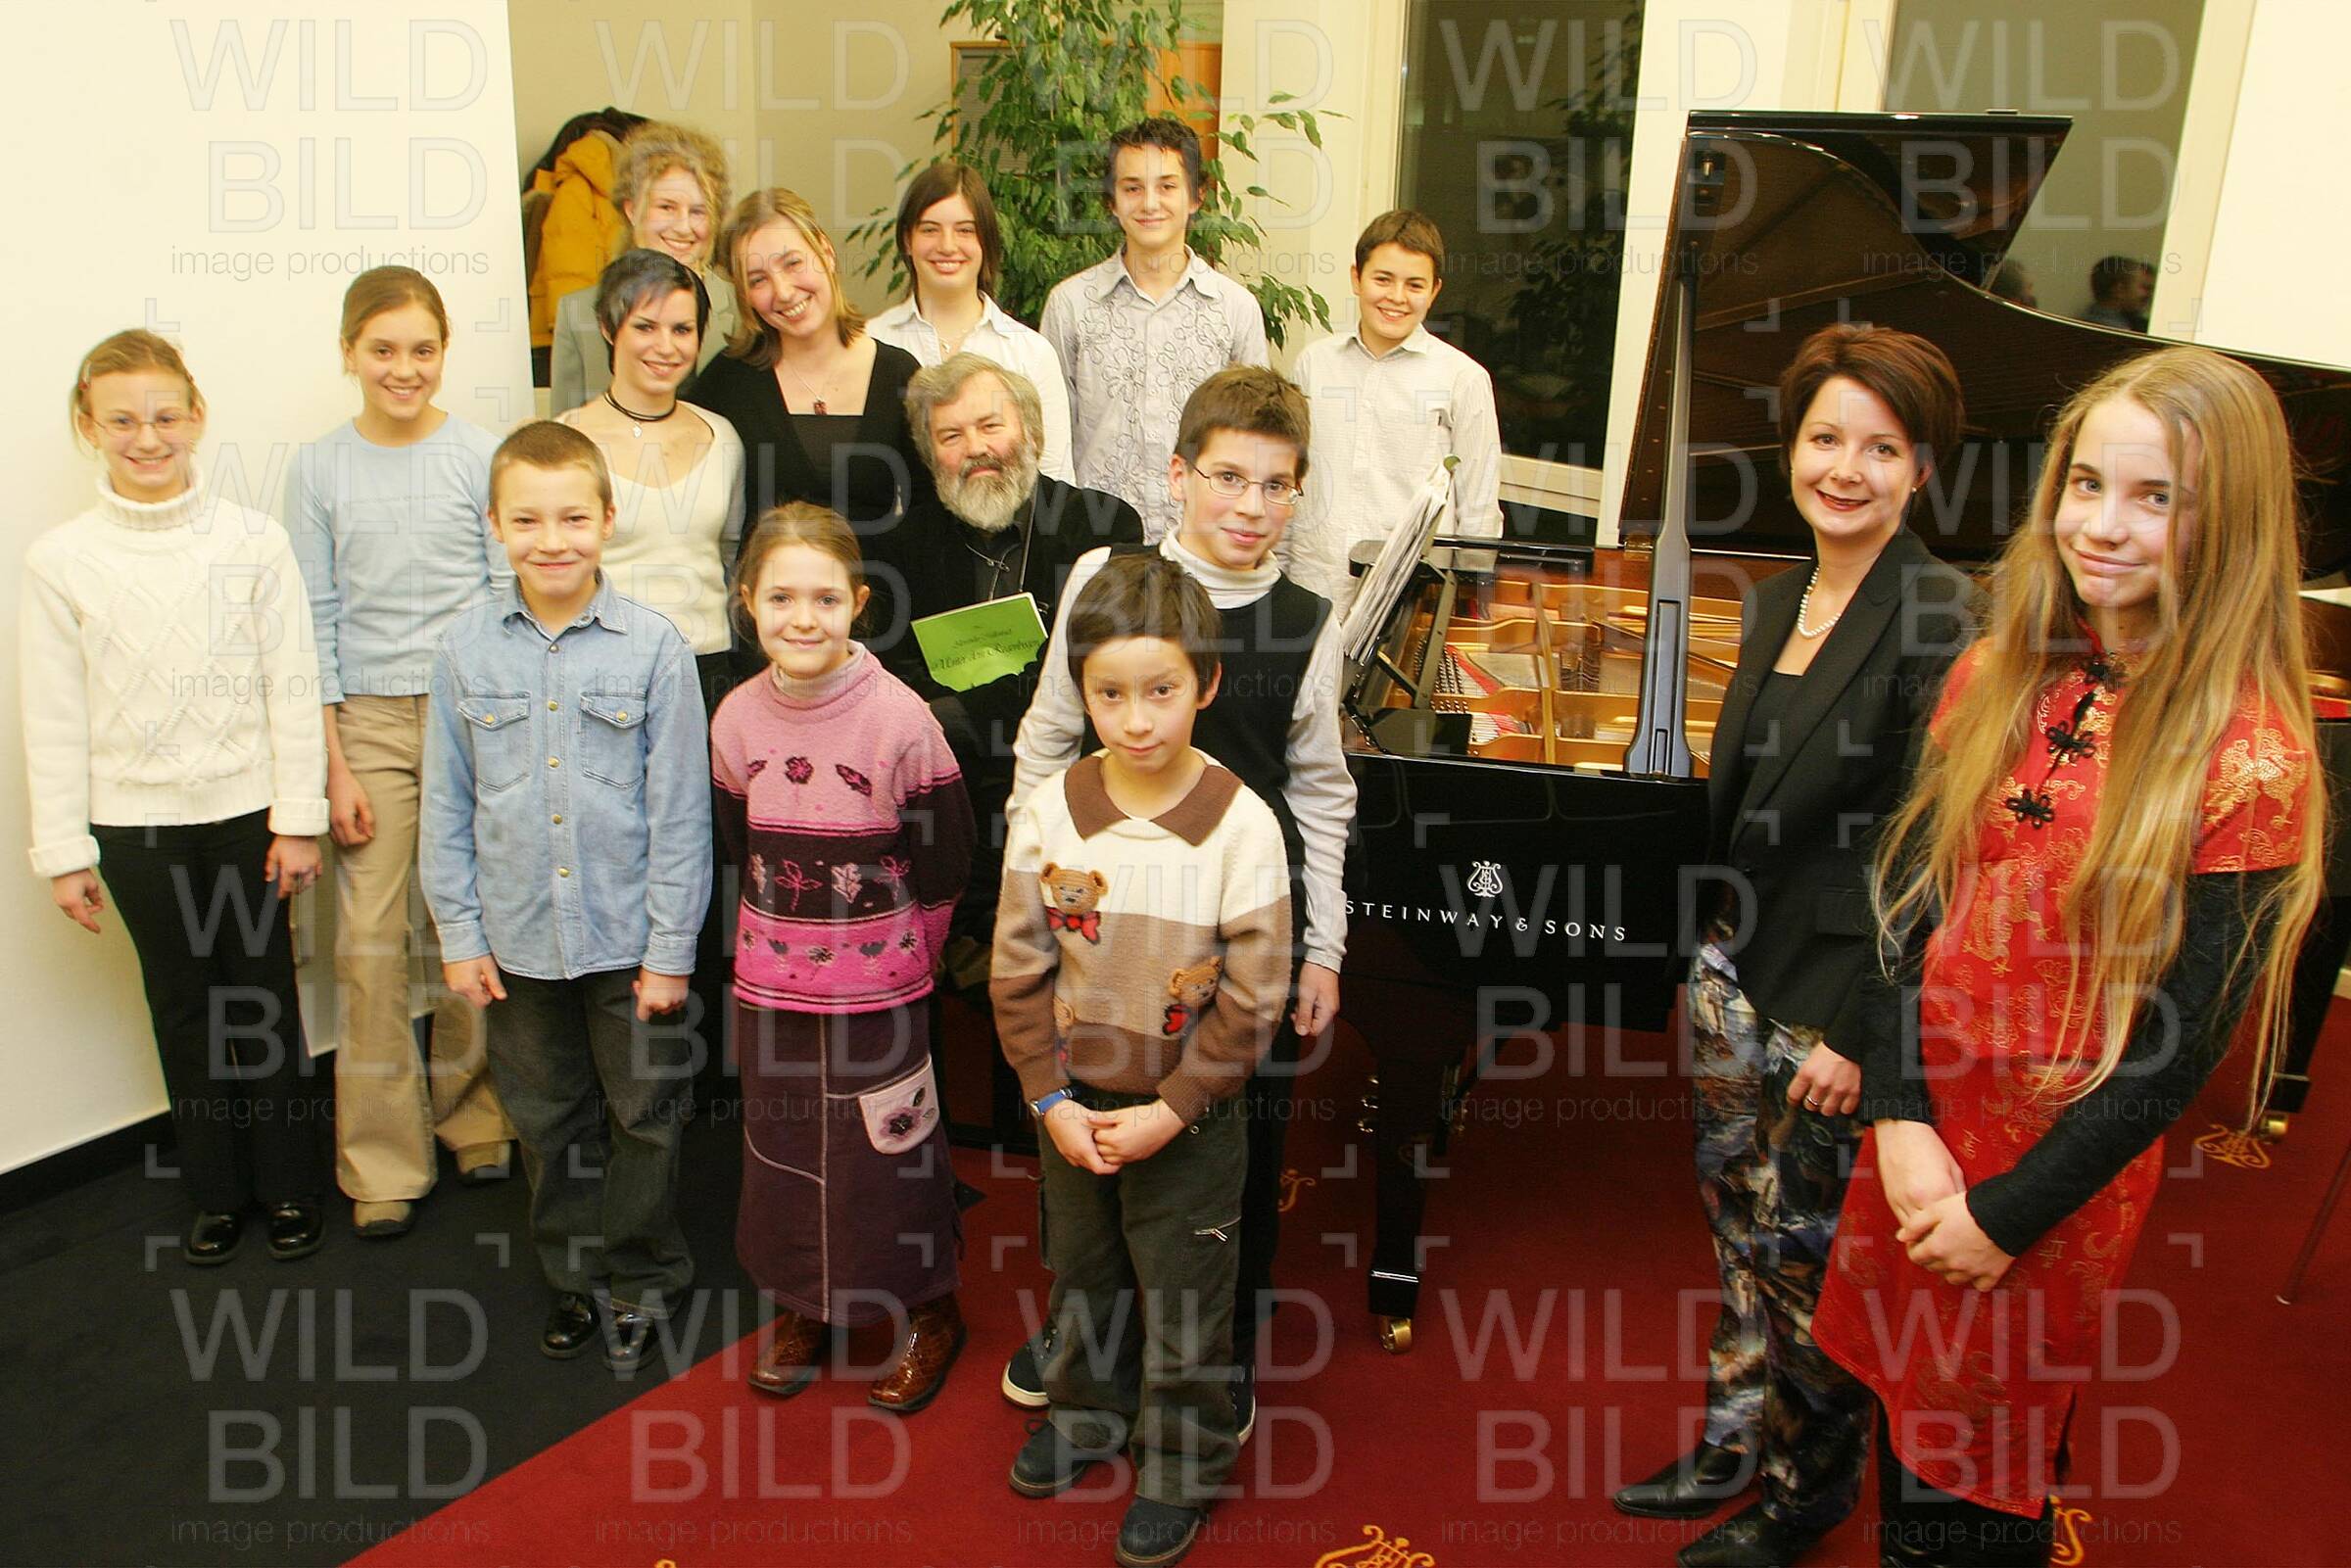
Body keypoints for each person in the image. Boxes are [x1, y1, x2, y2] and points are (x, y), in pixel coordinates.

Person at [1813, 345, 2324, 1567]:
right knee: (1901, 1424)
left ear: (2230, 523)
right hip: (1922, 1131)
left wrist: (2003, 1213)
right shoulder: (2002, 667)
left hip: (2044, 1184)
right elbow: (1907, 892)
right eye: (2086, 483)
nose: (2101, 525)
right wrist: (1899, 1116)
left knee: (1975, 1481)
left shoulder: (2254, 758)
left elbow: (2178, 1049)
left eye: (2156, 498)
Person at [1610, 325, 1978, 1568]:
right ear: (1792, 447)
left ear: (1922, 467)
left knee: (1810, 1262)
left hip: (1833, 1008)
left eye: (1882, 448)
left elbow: (1937, 855)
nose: (1846, 469)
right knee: (1738, 1229)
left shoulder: (1945, 617)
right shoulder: (1779, 596)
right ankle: (1735, 1435)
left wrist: (1869, 1036)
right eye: (1826, 438)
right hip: (1734, 969)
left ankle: (1803, 1495)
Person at [1007, 366, 1355, 1438]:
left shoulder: (1309, 619)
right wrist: (1031, 871)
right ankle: (1090, 1334)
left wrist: (1324, 947)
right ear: (1178, 474)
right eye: (1229, 477)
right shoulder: (1105, 577)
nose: (1252, 506)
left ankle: (1220, 1342)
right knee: (1088, 1128)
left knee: (1229, 1141)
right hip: (1103, 913)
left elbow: (1321, 789)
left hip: (1239, 921)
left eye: (1277, 485)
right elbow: (1047, 735)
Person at [993, 551, 1292, 1568]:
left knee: (1186, 1296)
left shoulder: (1243, 826)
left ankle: (1181, 1465)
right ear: (1080, 691)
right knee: (1081, 1275)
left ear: (1205, 684)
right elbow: (1018, 967)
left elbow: (1254, 996)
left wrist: (1173, 1108)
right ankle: (1085, 1415)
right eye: (1109, 694)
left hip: (1190, 1116)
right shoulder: (1049, 810)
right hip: (1074, 1103)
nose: (1135, 720)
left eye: (1161, 691)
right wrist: (1049, 1100)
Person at [24, 329, 332, 1265]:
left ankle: (289, 1185)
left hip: (247, 818)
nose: (146, 437)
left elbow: (292, 685)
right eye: (122, 420)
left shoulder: (254, 541)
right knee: (184, 1008)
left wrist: (299, 819)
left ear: (197, 417)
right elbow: (53, 712)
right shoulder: (59, 559)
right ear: (88, 426)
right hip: (134, 828)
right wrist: (64, 850)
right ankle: (216, 1192)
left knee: (263, 999)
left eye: (164, 416)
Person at [419, 421, 712, 1373]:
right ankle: (573, 1273)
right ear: (495, 524)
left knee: (644, 1111)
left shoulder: (655, 648)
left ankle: (644, 1271)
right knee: (546, 1118)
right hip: (516, 941)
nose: (553, 539)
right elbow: (445, 804)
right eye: (529, 519)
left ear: (608, 519)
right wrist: (460, 934)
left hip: (631, 940)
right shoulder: (464, 650)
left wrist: (671, 950)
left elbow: (680, 815)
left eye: (574, 517)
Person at [711, 503, 975, 1411]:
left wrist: (907, 961)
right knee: (781, 1152)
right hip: (773, 988)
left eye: (825, 598)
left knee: (890, 1155)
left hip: (881, 993)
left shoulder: (901, 719)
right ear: (748, 601)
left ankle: (931, 1309)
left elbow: (947, 857)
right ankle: (804, 1303)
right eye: (781, 597)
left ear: (858, 603)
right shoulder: (735, 719)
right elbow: (739, 843)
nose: (803, 617)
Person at [286, 266, 516, 1241]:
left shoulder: (479, 455)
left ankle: (477, 1112)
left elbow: (506, 598)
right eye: (383, 349)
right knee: (373, 941)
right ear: (349, 353)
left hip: (473, 713)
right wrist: (333, 764)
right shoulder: (318, 469)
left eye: (423, 349)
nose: (404, 367)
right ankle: (381, 1156)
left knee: (472, 919)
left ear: (444, 352)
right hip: (370, 724)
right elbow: (313, 620)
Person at [556, 248, 749, 1076]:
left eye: (682, 328)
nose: (665, 345)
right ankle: (629, 1066)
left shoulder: (723, 436)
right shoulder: (567, 439)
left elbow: (730, 557)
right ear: (610, 327)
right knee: (620, 862)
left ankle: (707, 1077)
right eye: (646, 326)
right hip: (606, 679)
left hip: (709, 675)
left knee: (703, 866)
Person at [893, 355, 1142, 942]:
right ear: (930, 455)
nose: (976, 448)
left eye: (990, 425)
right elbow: (892, 674)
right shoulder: (904, 545)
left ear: (1031, 432)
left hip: (1072, 792)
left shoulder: (1103, 528)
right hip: (948, 797)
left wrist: (956, 713)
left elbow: (1093, 672)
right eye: (951, 436)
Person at [696, 187, 936, 661]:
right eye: (758, 279)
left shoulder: (899, 374)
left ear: (825, 251)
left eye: (793, 263)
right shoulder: (726, 383)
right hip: (770, 645)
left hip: (883, 639)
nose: (783, 291)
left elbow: (931, 517)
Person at [1040, 116, 1270, 544]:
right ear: (1111, 201)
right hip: (1098, 541)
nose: (1149, 203)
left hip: (1205, 542)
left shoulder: (1235, 309)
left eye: (1166, 186)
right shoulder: (1070, 305)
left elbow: (1256, 442)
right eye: (1132, 188)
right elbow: (1055, 439)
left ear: (1196, 196)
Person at [1287, 209, 1505, 611]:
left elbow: (1478, 506)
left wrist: (1466, 601)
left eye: (1414, 284)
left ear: (1435, 291)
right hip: (1313, 582)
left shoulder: (1463, 379)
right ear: (1356, 278)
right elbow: (1287, 478)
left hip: (1409, 595)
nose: (1397, 297)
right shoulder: (1313, 364)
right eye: (1383, 279)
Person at [870, 161, 1075, 484]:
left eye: (965, 230)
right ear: (907, 240)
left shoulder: (1030, 352)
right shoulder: (870, 343)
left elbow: (1054, 479)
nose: (947, 246)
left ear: (985, 241)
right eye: (929, 229)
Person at [548, 121, 738, 412]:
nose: (683, 227)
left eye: (698, 211)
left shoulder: (742, 309)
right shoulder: (577, 312)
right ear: (632, 210)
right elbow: (564, 433)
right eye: (667, 207)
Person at [2078, 254, 2153, 334]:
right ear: (2119, 289)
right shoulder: (2118, 333)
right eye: (2145, 287)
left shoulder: (2084, 321)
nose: (2149, 294)